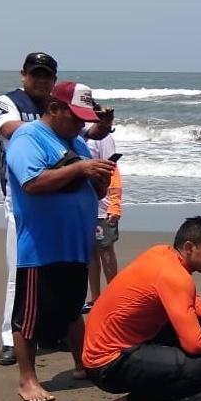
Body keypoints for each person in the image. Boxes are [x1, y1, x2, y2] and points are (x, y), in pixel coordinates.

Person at [5, 81, 114, 401]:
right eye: (76, 117)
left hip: (74, 245)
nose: (81, 124)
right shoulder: (28, 137)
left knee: (70, 308)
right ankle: (27, 380)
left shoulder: (76, 141)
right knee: (29, 315)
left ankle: (83, 365)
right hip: (42, 245)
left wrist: (99, 182)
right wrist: (81, 167)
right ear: (54, 109)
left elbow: (91, 191)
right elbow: (32, 183)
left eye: (85, 118)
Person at [82, 217, 201, 401]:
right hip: (107, 364)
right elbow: (194, 344)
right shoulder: (175, 276)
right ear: (189, 247)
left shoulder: (162, 253)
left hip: (108, 349)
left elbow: (188, 296)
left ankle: (157, 395)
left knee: (185, 320)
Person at [0, 52, 58, 366]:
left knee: (55, 269)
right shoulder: (8, 101)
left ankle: (47, 331)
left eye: (47, 75)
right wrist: (59, 128)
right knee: (19, 270)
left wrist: (99, 126)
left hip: (56, 197)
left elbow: (84, 134)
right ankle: (9, 338)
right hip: (20, 201)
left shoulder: (56, 106)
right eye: (36, 74)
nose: (41, 80)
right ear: (23, 75)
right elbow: (10, 130)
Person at [85, 105, 123, 309]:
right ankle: (96, 297)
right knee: (90, 253)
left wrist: (115, 206)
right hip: (84, 205)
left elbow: (113, 169)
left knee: (106, 250)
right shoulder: (79, 134)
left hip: (103, 205)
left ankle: (113, 296)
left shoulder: (104, 137)